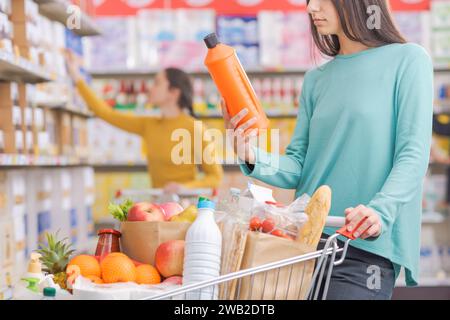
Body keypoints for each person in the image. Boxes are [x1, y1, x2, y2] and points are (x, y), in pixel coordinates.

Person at [223, 0, 433, 300]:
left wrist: (380, 211)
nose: (311, 8)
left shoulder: (408, 60)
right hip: (303, 245)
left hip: (363, 249)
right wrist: (250, 154)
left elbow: (413, 153)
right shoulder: (316, 79)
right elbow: (300, 163)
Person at [67, 58, 223, 193]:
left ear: (173, 93)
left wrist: (186, 188)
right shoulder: (148, 125)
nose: (150, 88)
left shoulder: (195, 128)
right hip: (157, 205)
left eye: (157, 83)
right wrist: (76, 76)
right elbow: (105, 113)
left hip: (186, 206)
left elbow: (215, 177)